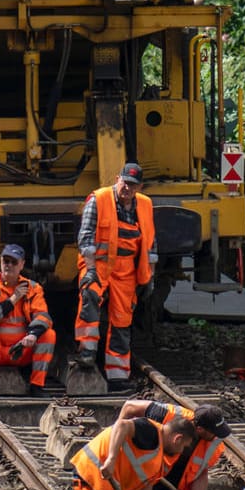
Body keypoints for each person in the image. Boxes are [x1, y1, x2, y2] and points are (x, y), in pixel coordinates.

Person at [74, 161, 156, 387]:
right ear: (117, 179)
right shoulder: (99, 200)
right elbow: (86, 237)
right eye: (124, 182)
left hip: (127, 269)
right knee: (89, 296)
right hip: (98, 265)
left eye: (132, 185)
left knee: (122, 319)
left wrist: (149, 275)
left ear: (139, 187)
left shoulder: (145, 206)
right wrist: (90, 269)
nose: (127, 188)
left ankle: (118, 375)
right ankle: (87, 351)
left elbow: (151, 245)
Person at [119, 398, 232, 490]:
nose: (216, 436)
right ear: (200, 429)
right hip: (152, 474)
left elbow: (201, 471)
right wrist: (118, 439)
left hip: (180, 482)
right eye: (214, 432)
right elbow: (129, 406)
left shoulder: (210, 443)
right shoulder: (169, 416)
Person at [70, 413, 195, 490]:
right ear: (177, 439)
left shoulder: (157, 455)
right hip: (93, 476)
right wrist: (111, 459)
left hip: (107, 488)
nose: (181, 452)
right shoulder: (150, 431)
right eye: (183, 446)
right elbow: (122, 424)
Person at [0, 244, 56, 393]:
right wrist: (14, 299)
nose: (8, 265)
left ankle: (37, 386)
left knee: (49, 335)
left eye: (13, 262)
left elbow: (43, 316)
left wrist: (33, 335)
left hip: (21, 350)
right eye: (5, 261)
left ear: (22, 264)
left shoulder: (33, 288)